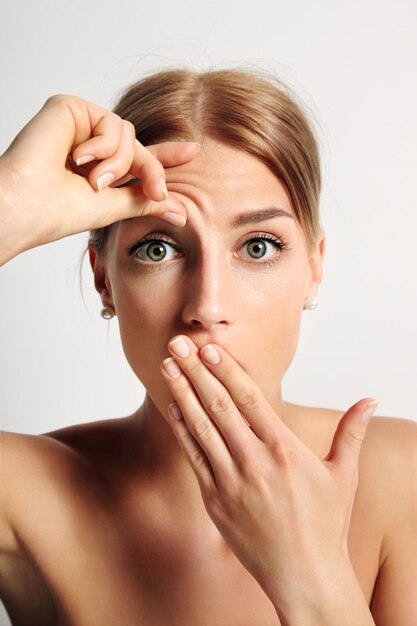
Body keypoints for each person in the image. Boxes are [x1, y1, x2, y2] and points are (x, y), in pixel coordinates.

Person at [0, 66, 415, 626]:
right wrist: (12, 204)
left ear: (314, 271)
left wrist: (314, 577)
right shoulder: (26, 493)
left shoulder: (402, 478)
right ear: (104, 280)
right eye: (157, 250)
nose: (207, 306)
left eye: (260, 246)